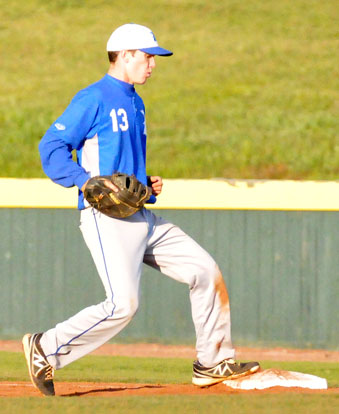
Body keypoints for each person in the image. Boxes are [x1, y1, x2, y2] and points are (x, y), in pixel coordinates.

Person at [22, 23, 260, 396]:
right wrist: (83, 181)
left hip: (139, 214)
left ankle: (212, 361)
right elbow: (51, 148)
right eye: (148, 57)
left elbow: (119, 166)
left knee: (205, 270)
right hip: (106, 218)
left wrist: (144, 184)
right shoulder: (93, 98)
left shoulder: (135, 100)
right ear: (126, 54)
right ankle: (45, 348)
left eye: (154, 58)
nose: (153, 64)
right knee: (122, 306)